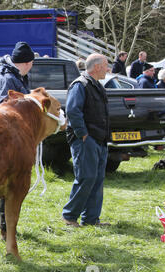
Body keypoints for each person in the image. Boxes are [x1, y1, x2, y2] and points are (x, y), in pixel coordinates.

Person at [0, 41, 35, 239]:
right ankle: (5, 229)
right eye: (32, 62)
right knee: (8, 183)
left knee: (12, 184)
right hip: (6, 138)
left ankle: (8, 227)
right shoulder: (9, 79)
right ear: (27, 63)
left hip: (13, 136)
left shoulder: (16, 76)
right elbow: (4, 109)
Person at [61, 53, 110, 227]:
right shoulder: (80, 85)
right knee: (86, 178)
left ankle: (91, 220)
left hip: (98, 139)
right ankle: (69, 216)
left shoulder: (96, 85)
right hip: (85, 140)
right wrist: (83, 135)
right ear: (96, 67)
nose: (108, 69)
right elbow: (73, 111)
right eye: (105, 65)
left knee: (97, 179)